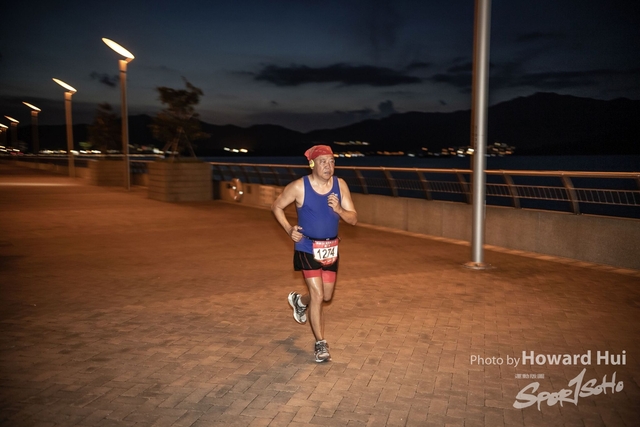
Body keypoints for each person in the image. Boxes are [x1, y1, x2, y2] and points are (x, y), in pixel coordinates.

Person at [271, 145, 357, 362]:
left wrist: (339, 210)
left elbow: (354, 219)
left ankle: (300, 301)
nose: (329, 166)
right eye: (323, 162)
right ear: (312, 164)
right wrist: (289, 229)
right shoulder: (299, 186)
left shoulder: (340, 185)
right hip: (306, 247)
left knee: (325, 296)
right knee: (318, 296)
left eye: (332, 161)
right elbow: (276, 206)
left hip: (331, 248)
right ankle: (320, 344)